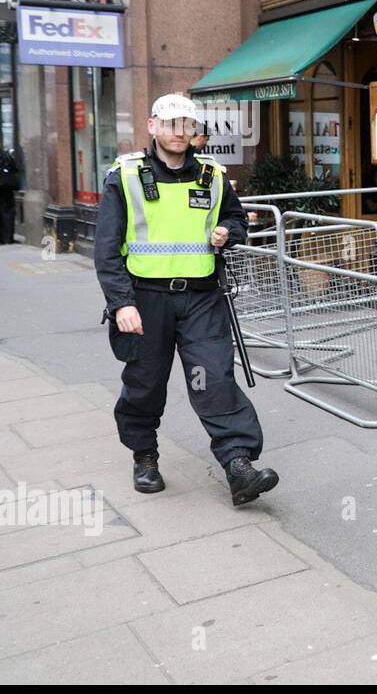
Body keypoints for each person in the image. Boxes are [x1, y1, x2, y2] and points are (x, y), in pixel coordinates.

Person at [94, 93, 278, 505]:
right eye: (171, 123)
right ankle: (145, 455)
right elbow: (106, 249)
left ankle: (238, 464)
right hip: (145, 300)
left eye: (187, 125)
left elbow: (234, 216)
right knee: (145, 384)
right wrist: (121, 303)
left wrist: (229, 232)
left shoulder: (212, 174)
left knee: (214, 380)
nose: (180, 132)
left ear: (195, 131)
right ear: (153, 126)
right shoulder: (124, 175)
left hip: (201, 299)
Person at [0, 144, 21, 245]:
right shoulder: (6, 155)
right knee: (7, 213)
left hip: (5, 189)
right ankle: (8, 238)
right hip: (6, 189)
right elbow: (15, 169)